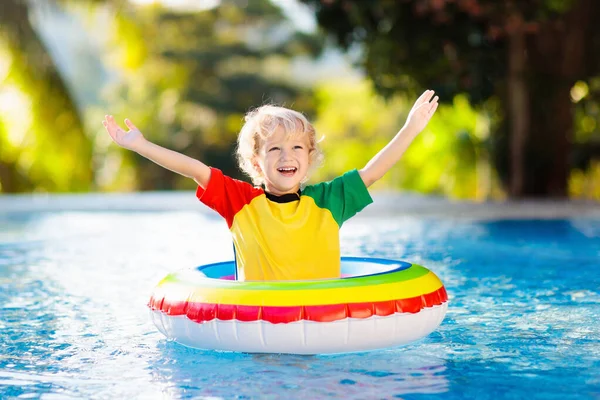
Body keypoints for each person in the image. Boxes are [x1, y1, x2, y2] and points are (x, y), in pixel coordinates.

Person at [103, 90, 439, 281]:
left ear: (309, 158)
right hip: (261, 321)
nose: (285, 156)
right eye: (274, 149)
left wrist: (410, 127)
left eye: (296, 148)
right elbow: (196, 170)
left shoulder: (328, 201)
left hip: (320, 317)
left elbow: (373, 172)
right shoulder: (240, 201)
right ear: (255, 162)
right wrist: (141, 145)